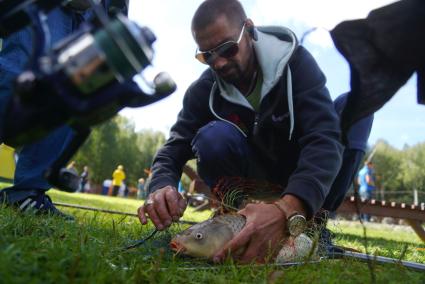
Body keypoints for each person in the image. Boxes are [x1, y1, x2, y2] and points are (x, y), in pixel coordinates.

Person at [138, 0, 345, 264]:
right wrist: (161, 186)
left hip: (297, 174)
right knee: (213, 136)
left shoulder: (296, 63)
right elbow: (174, 148)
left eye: (227, 48)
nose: (219, 63)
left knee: (353, 111)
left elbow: (324, 137)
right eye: (207, 56)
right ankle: (238, 221)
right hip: (249, 185)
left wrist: (290, 206)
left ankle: (315, 226)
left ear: (248, 30)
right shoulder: (203, 90)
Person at [0, 2, 125, 219]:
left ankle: (27, 193)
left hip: (96, 10)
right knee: (22, 72)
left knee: (71, 91)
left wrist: (115, 16)